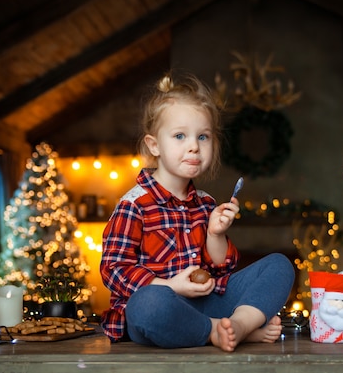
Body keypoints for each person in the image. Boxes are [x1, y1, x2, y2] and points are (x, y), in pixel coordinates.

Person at [99, 71, 295, 351]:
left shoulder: (205, 203)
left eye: (203, 137)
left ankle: (238, 324)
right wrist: (171, 286)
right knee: (147, 305)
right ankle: (218, 330)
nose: (193, 146)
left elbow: (223, 270)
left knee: (279, 265)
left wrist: (215, 234)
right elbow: (113, 270)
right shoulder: (134, 205)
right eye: (180, 136)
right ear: (154, 145)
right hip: (165, 308)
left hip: (207, 302)